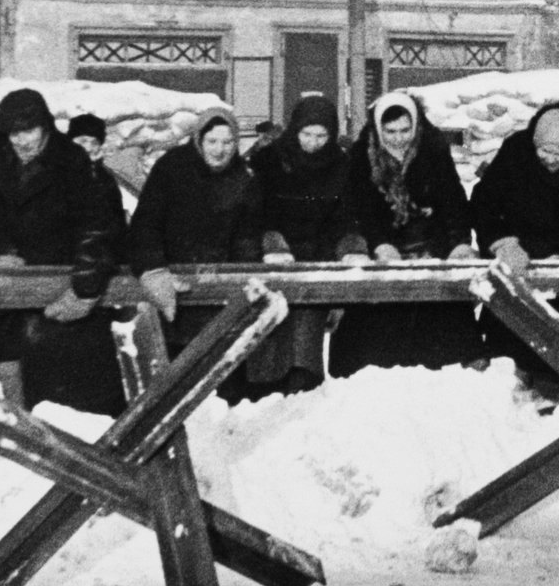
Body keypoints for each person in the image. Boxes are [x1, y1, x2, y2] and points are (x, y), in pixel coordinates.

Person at [0, 88, 124, 415]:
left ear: (46, 127)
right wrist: (0, 252)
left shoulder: (72, 161)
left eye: (28, 131)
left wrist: (84, 289)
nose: (20, 140)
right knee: (11, 395)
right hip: (10, 297)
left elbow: (96, 227)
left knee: (72, 405)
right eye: (13, 132)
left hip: (61, 295)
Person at [332, 92, 484, 376]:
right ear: (379, 129)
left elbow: (453, 202)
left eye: (405, 130)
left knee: (442, 295)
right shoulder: (361, 157)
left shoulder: (433, 150)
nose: (398, 138)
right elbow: (359, 210)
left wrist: (459, 243)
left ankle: (457, 363)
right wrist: (379, 245)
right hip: (384, 240)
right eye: (390, 131)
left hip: (429, 238)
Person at [469, 102, 559, 407]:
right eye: (545, 151)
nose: (552, 160)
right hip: (516, 254)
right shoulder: (514, 154)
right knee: (508, 331)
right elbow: (484, 204)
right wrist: (502, 243)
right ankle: (507, 386)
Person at [129, 106, 266, 359]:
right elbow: (146, 223)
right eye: (212, 141)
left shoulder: (244, 178)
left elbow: (246, 236)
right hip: (172, 285)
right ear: (199, 139)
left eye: (227, 142)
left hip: (218, 290)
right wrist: (153, 269)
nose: (219, 149)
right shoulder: (172, 168)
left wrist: (245, 276)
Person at [245, 93, 353, 395]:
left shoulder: (341, 165)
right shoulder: (269, 161)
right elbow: (255, 211)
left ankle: (301, 396)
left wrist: (342, 252)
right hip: (273, 259)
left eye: (322, 135)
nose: (313, 142)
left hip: (317, 261)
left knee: (305, 345)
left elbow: (344, 217)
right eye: (307, 134)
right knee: (269, 336)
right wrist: (271, 242)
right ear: (295, 130)